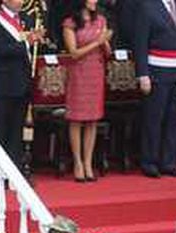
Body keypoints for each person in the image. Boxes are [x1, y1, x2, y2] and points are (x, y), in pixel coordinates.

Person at [133, 0, 176, 178]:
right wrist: (142, 73)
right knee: (154, 119)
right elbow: (140, 41)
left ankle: (168, 161)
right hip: (157, 69)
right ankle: (150, 161)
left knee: (174, 119)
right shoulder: (147, 6)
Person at [0, 0, 43, 173]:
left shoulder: (22, 19)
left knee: (16, 133)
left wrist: (34, 39)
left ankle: (14, 172)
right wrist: (27, 42)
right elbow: (2, 50)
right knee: (0, 133)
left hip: (21, 84)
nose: (22, 2)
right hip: (2, 86)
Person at [62, 0, 111, 182]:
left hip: (95, 71)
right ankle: (77, 163)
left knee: (92, 119)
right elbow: (73, 52)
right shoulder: (70, 22)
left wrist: (105, 43)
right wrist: (96, 42)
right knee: (76, 119)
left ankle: (88, 162)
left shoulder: (100, 20)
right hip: (79, 71)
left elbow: (107, 52)